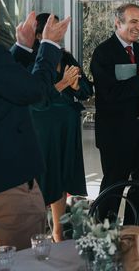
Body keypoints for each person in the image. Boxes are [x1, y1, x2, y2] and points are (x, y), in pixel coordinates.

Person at [0, 0, 70, 268]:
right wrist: (49, 47)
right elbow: (34, 91)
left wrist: (23, 48)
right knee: (29, 263)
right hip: (3, 186)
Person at [90, 4, 139, 227]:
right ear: (118, 22)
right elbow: (108, 94)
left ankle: (138, 236)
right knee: (113, 190)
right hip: (115, 135)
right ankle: (103, 240)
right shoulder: (103, 53)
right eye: (134, 21)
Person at [29, 13, 92, 242]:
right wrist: (63, 83)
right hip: (43, 129)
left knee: (63, 176)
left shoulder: (67, 58)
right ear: (39, 35)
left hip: (67, 127)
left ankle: (58, 231)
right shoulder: (32, 61)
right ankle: (36, 234)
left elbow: (87, 90)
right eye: (53, 28)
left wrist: (76, 85)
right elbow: (35, 98)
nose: (59, 32)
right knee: (45, 176)